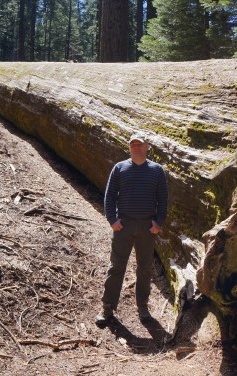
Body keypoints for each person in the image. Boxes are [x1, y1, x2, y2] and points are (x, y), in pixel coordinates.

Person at [95, 132, 168, 327]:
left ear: (147, 147)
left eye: (139, 144)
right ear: (129, 147)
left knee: (144, 269)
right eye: (133, 144)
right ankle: (107, 308)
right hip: (123, 226)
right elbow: (109, 196)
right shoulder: (120, 168)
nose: (136, 147)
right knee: (116, 267)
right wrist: (112, 219)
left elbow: (163, 199)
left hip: (147, 227)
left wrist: (158, 222)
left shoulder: (157, 170)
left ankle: (143, 306)